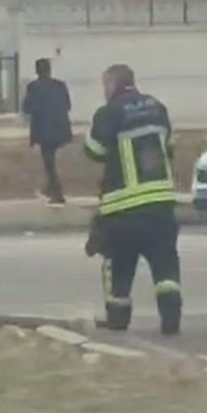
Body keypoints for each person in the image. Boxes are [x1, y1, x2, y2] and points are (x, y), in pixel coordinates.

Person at [83, 64, 182, 335]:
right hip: (160, 206)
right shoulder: (157, 108)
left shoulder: (109, 112)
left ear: (113, 84)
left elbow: (94, 150)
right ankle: (171, 320)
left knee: (119, 268)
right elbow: (169, 147)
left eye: (105, 85)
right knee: (165, 266)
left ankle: (118, 319)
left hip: (123, 208)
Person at [21, 58, 71, 204]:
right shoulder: (60, 85)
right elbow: (68, 106)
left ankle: (57, 193)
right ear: (50, 69)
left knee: (49, 163)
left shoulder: (33, 87)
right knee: (52, 162)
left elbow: (26, 108)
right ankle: (50, 188)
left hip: (44, 131)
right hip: (61, 129)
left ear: (37, 71)